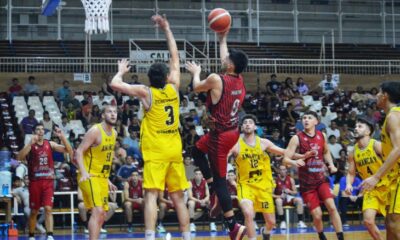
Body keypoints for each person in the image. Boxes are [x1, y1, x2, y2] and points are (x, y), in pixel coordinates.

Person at [109, 15, 190, 240]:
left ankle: (149, 235)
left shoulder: (147, 93)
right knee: (178, 197)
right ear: (165, 76)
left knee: (151, 195)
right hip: (174, 148)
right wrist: (167, 28)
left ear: (149, 77)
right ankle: (186, 236)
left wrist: (121, 71)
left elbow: (115, 84)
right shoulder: (173, 88)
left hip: (156, 151)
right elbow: (175, 58)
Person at [185, 29, 249, 239]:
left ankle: (232, 225)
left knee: (221, 179)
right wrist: (222, 38)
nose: (225, 58)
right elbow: (225, 58)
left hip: (220, 137)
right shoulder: (238, 79)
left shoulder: (214, 79)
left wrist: (196, 71)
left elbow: (196, 88)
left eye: (228, 58)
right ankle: (212, 187)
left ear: (230, 65)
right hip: (231, 131)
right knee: (196, 150)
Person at [229, 114, 309, 240]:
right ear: (242, 127)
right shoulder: (236, 144)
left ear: (255, 127)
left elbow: (284, 152)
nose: (248, 124)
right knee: (248, 213)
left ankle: (265, 232)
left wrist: (302, 156)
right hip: (245, 186)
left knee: (271, 222)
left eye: (250, 122)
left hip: (263, 187)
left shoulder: (263, 143)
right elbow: (222, 158)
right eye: (245, 123)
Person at [284, 111, 344, 240]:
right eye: (304, 118)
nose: (306, 120)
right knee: (317, 215)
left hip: (321, 180)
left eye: (309, 118)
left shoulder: (322, 135)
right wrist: (295, 161)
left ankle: (340, 237)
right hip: (307, 184)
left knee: (332, 207)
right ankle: (321, 235)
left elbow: (326, 152)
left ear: (316, 122)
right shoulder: (296, 138)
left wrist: (331, 165)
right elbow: (285, 159)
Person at [18, 123, 73, 240]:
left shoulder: (50, 143)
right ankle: (31, 235)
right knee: (34, 211)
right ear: (34, 132)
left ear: (44, 132)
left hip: (48, 182)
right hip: (35, 182)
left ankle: (50, 235)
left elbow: (68, 150)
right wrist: (29, 144)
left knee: (48, 208)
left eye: (42, 129)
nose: (40, 131)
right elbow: (19, 157)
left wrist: (62, 137)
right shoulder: (31, 145)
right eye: (38, 129)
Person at [361, 81, 400, 240]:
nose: (376, 96)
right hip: (393, 176)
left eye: (378, 93)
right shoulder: (391, 116)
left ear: (385, 96)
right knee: (389, 221)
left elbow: (398, 148)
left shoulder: (394, 116)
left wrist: (376, 176)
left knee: (393, 222)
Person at [75, 104, 118, 240]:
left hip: (101, 177)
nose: (113, 114)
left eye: (115, 112)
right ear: (103, 115)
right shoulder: (95, 130)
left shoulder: (115, 133)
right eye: (109, 112)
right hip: (88, 175)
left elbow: (106, 158)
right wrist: (83, 172)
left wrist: (107, 179)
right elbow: (79, 151)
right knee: (97, 210)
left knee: (102, 214)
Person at [345, 117, 388, 239]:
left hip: (388, 186)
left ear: (368, 132)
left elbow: (392, 163)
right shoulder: (353, 152)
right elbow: (351, 173)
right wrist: (349, 184)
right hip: (370, 190)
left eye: (360, 126)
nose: (356, 128)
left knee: (392, 224)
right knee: (368, 221)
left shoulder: (376, 145)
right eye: (356, 126)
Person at [273, 165, 307, 230]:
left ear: (286, 171)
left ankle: (300, 221)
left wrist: (290, 191)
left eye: (284, 170)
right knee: (278, 201)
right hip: (280, 199)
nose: (282, 171)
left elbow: (295, 192)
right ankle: (282, 222)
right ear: (279, 171)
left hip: (289, 198)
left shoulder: (291, 179)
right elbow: (271, 194)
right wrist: (279, 196)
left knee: (299, 200)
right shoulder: (275, 180)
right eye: (281, 170)